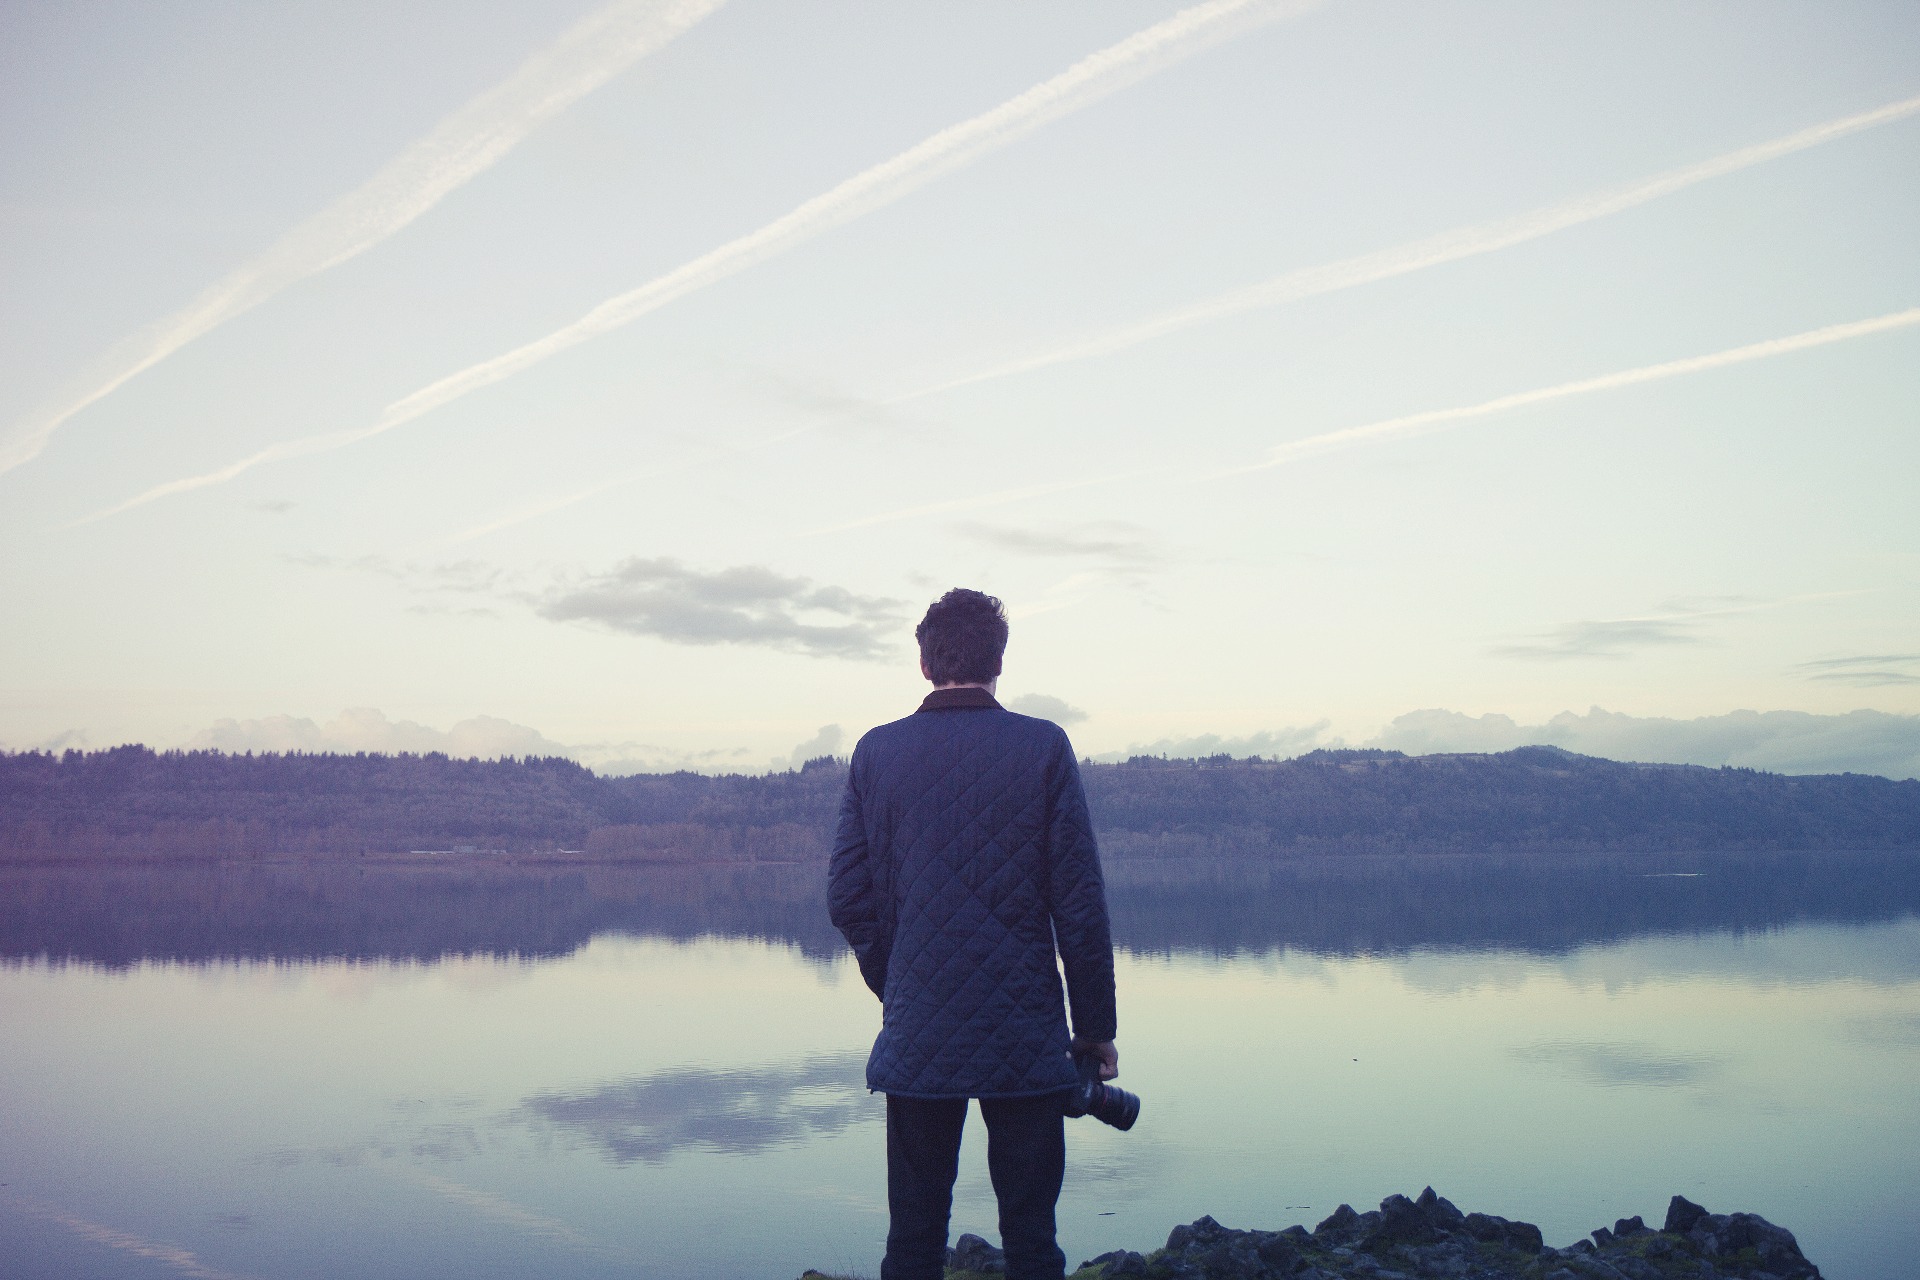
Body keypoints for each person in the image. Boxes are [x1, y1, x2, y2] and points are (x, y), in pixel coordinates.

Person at [829, 588, 1119, 1280]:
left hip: (919, 1032)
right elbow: (1078, 905)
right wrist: (1095, 1031)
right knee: (1032, 1238)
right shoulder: (1044, 746)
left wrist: (900, 983)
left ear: (925, 665)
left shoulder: (876, 751)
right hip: (1025, 1032)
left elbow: (846, 896)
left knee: (914, 1238)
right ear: (1000, 661)